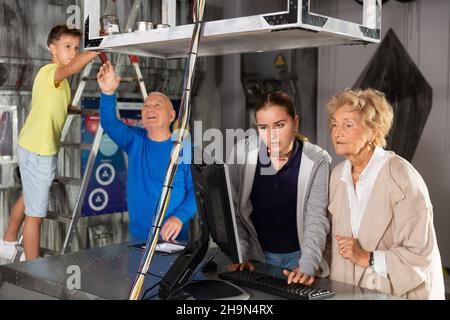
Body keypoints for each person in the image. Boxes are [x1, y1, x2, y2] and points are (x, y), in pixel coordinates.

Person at [327, 88, 445, 299]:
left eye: (348, 124)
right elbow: (332, 243)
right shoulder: (337, 176)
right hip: (351, 292)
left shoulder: (401, 175)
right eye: (334, 124)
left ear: (373, 131)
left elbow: (420, 253)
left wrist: (366, 257)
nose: (337, 132)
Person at [0, 25, 99, 261]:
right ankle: (33, 267)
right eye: (67, 47)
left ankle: (8, 240)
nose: (73, 52)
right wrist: (97, 48)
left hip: (34, 147)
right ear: (51, 48)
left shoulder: (59, 81)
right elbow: (74, 67)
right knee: (36, 216)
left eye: (77, 48)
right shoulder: (52, 71)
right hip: (38, 151)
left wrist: (77, 110)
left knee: (29, 197)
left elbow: (58, 104)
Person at [227, 91, 331, 285]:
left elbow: (316, 217)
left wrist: (308, 264)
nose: (272, 135)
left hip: (299, 257)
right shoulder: (242, 153)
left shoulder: (317, 160)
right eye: (264, 127)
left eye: (280, 125)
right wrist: (240, 255)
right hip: (256, 256)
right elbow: (233, 209)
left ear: (295, 122)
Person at [96, 61, 197, 242]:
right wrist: (108, 92)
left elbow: (196, 193)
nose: (149, 108)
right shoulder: (135, 140)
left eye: (157, 105)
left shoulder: (185, 149)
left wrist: (179, 217)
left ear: (171, 116)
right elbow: (109, 123)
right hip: (139, 241)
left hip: (174, 242)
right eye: (146, 106)